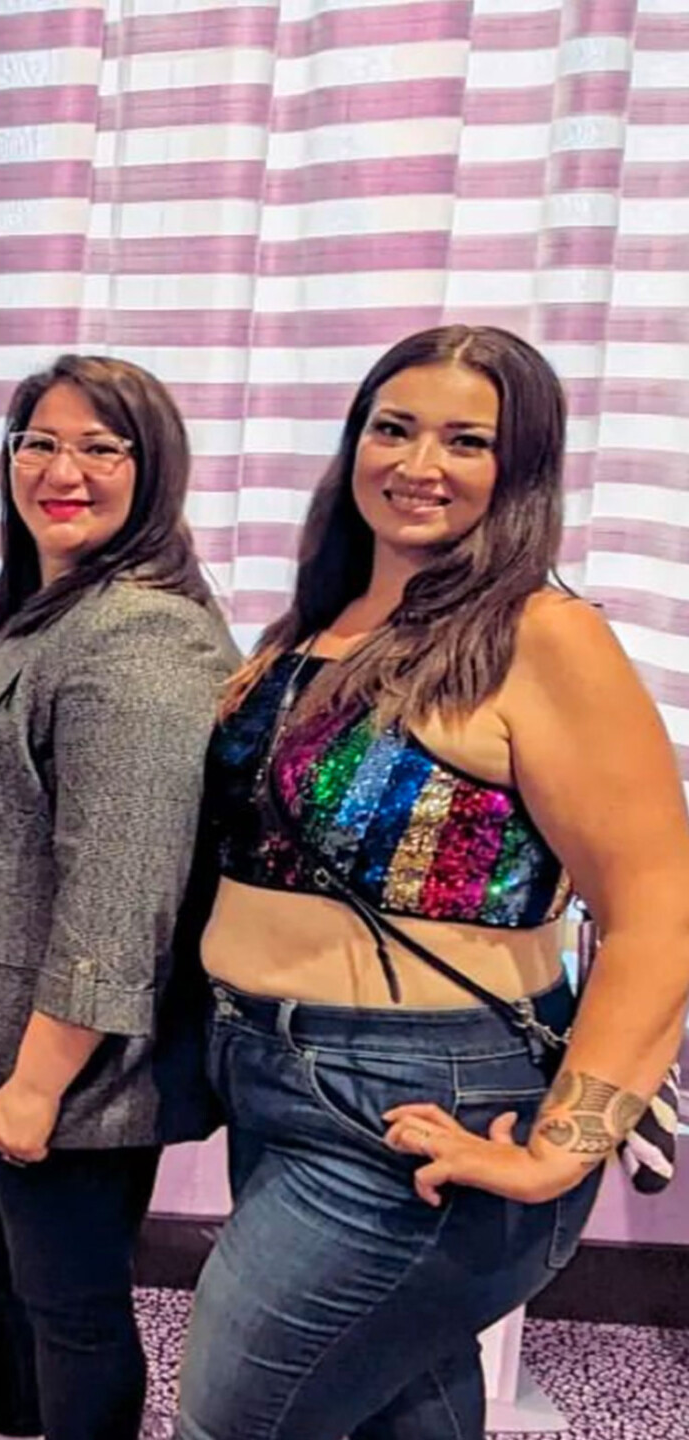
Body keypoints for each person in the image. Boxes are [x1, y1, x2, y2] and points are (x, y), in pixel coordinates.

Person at [177, 325, 689, 1439]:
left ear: (521, 471)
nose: (418, 465)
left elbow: (658, 916)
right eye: (393, 428)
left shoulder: (541, 637)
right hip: (267, 1066)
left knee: (233, 1416)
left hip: (419, 1088)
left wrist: (570, 1142)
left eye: (466, 441)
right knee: (398, 1403)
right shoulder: (321, 625)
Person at [0, 356, 234, 1440]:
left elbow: (120, 887)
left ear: (155, 470)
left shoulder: (139, 636)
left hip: (66, 1067)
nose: (63, 470)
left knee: (71, 1318)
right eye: (39, 442)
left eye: (102, 446)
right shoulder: (34, 610)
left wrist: (40, 1083)